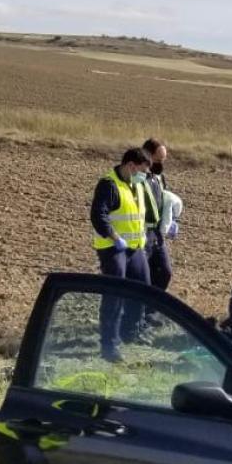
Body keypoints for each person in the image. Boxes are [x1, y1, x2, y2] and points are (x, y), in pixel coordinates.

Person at [90, 147, 154, 362]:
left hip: (135, 247)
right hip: (113, 248)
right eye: (142, 171)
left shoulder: (136, 185)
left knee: (142, 288)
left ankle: (131, 332)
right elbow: (99, 216)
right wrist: (115, 237)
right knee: (114, 295)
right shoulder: (109, 184)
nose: (144, 175)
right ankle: (109, 345)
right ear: (130, 166)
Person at [141, 138, 173, 291]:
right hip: (142, 233)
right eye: (158, 159)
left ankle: (151, 311)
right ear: (147, 156)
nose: (161, 163)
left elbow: (165, 197)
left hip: (157, 233)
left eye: (163, 160)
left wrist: (172, 220)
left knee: (164, 273)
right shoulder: (137, 178)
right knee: (142, 276)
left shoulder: (159, 177)